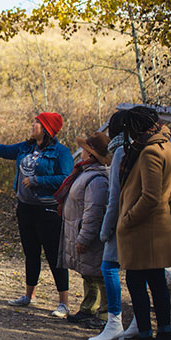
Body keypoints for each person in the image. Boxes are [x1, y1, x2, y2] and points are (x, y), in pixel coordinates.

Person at [0, 112, 74, 317]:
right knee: (31, 253)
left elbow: (66, 178)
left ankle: (64, 303)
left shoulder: (61, 152)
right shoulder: (26, 147)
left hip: (48, 211)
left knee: (54, 256)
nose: (32, 125)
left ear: (47, 129)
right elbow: (4, 150)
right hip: (25, 208)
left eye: (37, 123)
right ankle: (29, 296)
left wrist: (37, 181)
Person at [111, 106, 171, 340]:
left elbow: (150, 197)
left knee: (137, 283)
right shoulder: (167, 146)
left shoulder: (149, 151)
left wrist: (128, 218)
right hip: (157, 228)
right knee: (157, 283)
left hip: (142, 229)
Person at [88, 111, 138, 340]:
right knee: (137, 271)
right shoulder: (139, 148)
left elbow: (114, 194)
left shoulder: (120, 151)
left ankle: (115, 321)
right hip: (138, 218)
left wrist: (105, 230)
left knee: (109, 267)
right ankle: (137, 321)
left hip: (121, 220)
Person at [54, 132, 110, 329]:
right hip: (77, 230)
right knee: (88, 274)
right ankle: (88, 308)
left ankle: (104, 314)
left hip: (89, 235)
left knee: (98, 276)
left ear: (91, 154)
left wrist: (84, 237)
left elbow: (93, 212)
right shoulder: (84, 172)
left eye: (85, 149)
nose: (81, 152)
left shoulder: (97, 180)